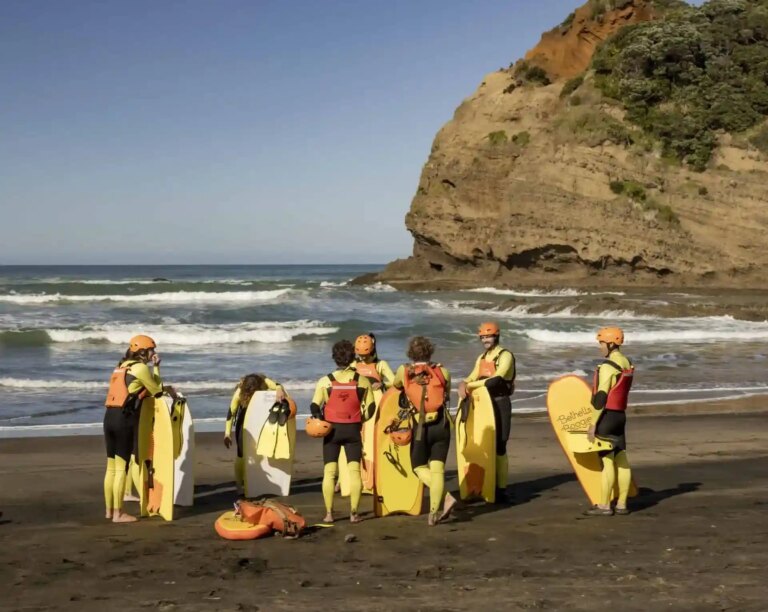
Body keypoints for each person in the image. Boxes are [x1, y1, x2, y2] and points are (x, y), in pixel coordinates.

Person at [393, 336, 457, 525]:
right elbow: (446, 392)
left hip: (421, 427)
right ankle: (433, 514)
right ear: (430, 351)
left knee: (419, 467)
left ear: (410, 354)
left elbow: (396, 386)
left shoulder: (404, 371)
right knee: (437, 470)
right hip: (441, 425)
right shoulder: (443, 371)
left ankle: (447, 497)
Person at [309, 339, 375, 524]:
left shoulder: (326, 381)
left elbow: (315, 405)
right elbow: (371, 409)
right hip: (353, 430)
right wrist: (360, 420)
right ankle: (354, 513)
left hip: (331, 431)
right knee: (354, 472)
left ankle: (329, 514)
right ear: (352, 357)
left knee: (329, 472)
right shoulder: (362, 381)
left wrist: (319, 418)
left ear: (334, 358)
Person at [103, 334, 166, 523]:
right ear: (143, 352)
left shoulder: (120, 368)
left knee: (111, 468)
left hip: (109, 418)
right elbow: (157, 390)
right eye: (151, 350)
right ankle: (118, 513)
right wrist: (156, 367)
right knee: (122, 469)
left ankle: (109, 510)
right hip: (124, 420)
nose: (153, 353)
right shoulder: (140, 368)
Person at [458, 322, 516, 503]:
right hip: (483, 405)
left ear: (496, 336)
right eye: (482, 337)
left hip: (500, 404)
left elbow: (495, 379)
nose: (485, 340)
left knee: (500, 446)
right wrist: (462, 383)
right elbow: (472, 375)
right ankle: (485, 483)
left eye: (488, 337)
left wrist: (470, 385)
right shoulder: (482, 357)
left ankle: (501, 488)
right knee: (483, 445)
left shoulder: (505, 355)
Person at [585, 327, 635, 516]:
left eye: (602, 343)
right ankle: (622, 504)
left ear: (611, 343)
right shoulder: (627, 363)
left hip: (606, 418)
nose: (600, 347)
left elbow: (601, 397)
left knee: (607, 460)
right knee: (622, 457)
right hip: (620, 417)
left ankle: (605, 505)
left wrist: (592, 424)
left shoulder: (608, 366)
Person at [224, 374, 286, 495]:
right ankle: (238, 485)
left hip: (260, 419)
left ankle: (259, 480)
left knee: (260, 452)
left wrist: (279, 390)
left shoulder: (265, 381)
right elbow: (231, 413)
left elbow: (278, 385)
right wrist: (227, 434)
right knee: (241, 454)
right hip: (244, 422)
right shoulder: (239, 392)